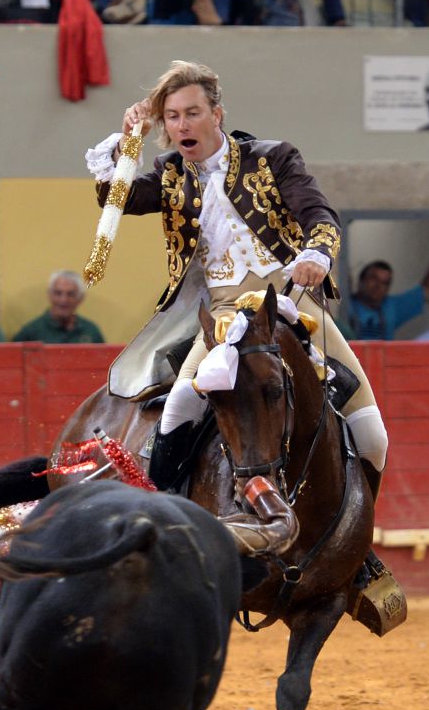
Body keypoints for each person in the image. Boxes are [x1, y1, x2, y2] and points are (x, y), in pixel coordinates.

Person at [85, 59, 401, 616]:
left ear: (216, 114)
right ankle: (162, 526)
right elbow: (118, 199)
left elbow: (318, 214)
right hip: (222, 314)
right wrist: (125, 141)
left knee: (372, 436)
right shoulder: (168, 172)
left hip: (289, 305)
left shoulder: (272, 158)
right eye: (172, 117)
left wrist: (314, 255)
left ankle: (358, 556)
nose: (182, 125)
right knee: (181, 400)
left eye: (192, 113)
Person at [345, 231, 429, 341]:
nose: (378, 286)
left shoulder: (391, 307)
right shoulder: (344, 305)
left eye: (385, 283)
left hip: (382, 359)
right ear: (361, 280)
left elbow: (428, 290)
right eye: (373, 278)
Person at [12, 271, 105, 343]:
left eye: (70, 294)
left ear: (80, 298)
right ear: (49, 295)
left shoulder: (91, 331)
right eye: (58, 293)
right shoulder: (31, 332)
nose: (63, 300)